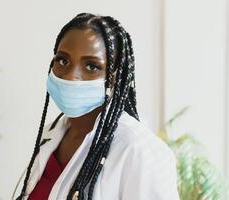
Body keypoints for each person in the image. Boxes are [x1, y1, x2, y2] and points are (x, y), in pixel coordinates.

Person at [12, 13, 180, 200]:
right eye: (63, 61)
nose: (70, 76)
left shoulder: (139, 151)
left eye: (92, 66)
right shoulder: (50, 134)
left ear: (116, 77)